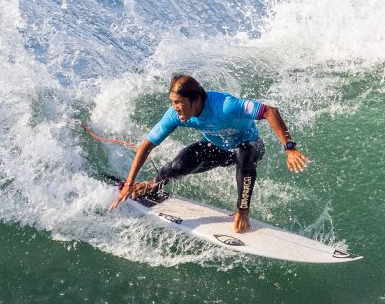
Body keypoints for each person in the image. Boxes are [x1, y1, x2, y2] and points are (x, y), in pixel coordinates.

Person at [110, 75, 309, 233]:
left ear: (196, 100)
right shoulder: (176, 114)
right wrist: (129, 183)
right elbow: (146, 146)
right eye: (172, 102)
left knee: (243, 152)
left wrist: (289, 147)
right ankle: (154, 184)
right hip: (217, 148)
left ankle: (242, 209)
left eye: (178, 102)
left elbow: (269, 111)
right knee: (178, 166)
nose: (175, 108)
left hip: (250, 146)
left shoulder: (225, 106)